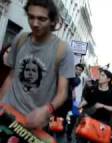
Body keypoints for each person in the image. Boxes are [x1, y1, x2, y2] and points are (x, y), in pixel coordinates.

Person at [0, 0, 74, 130]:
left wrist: (47, 109)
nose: (34, 23)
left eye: (41, 19)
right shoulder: (21, 39)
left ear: (52, 21)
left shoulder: (63, 50)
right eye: (31, 17)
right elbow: (11, 77)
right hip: (7, 113)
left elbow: (62, 92)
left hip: (33, 123)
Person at [66, 64, 85, 141]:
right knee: (65, 115)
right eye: (76, 69)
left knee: (73, 118)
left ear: (82, 71)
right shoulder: (70, 77)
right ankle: (62, 128)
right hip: (68, 99)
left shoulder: (83, 78)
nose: (77, 71)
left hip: (77, 102)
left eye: (79, 70)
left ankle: (69, 133)